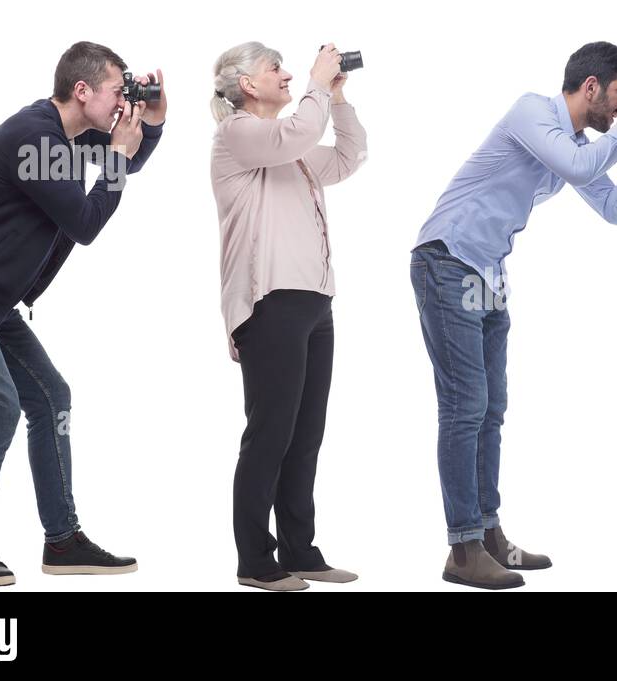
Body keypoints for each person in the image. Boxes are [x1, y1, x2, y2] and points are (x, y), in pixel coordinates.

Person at [0, 41, 164, 586]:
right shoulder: (35, 139)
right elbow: (87, 222)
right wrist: (117, 155)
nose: (124, 102)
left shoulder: (67, 135)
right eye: (118, 92)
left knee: (51, 399)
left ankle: (63, 541)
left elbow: (128, 157)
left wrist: (154, 123)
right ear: (82, 91)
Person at [410, 41, 617, 589]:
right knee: (465, 405)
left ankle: (489, 534)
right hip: (447, 260)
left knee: (492, 408)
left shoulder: (576, 144)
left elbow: (615, 211)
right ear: (591, 87)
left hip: (489, 276)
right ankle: (462, 548)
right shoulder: (533, 112)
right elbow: (577, 165)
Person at [210, 42, 367, 591]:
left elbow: (349, 157)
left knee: (306, 434)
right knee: (270, 433)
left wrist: (338, 99)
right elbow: (294, 133)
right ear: (247, 85)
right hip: (269, 301)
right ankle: (255, 561)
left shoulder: (291, 150)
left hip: (314, 302)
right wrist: (318, 88)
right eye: (275, 68)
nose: (289, 74)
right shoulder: (239, 136)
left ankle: (301, 551)